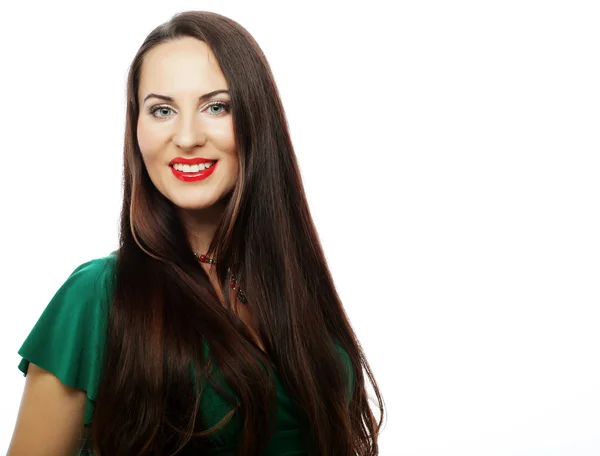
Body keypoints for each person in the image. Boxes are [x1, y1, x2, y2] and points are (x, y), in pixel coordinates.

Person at [9, 10, 385, 456]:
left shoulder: (293, 287)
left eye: (215, 106)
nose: (186, 137)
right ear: (137, 130)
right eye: (162, 110)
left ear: (255, 121)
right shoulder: (97, 296)